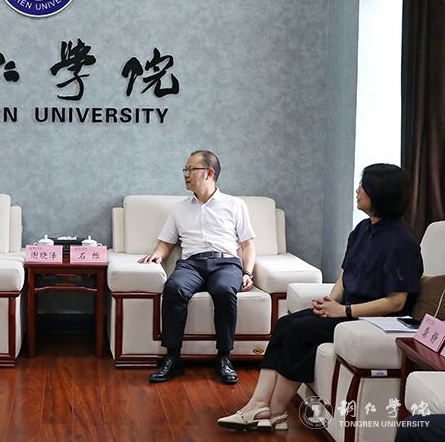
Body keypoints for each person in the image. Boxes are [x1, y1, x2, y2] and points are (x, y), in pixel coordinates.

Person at [218, 163, 423, 431]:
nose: (357, 191)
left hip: (374, 320)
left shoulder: (401, 242)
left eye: (364, 186)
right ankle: (259, 405)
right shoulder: (362, 229)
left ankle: (275, 411)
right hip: (347, 309)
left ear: (381, 193)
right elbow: (345, 275)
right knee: (285, 324)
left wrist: (344, 311)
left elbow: (396, 302)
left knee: (299, 332)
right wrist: (330, 301)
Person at [140, 150, 256, 385]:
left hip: (225, 263)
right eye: (185, 169)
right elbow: (166, 242)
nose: (186, 174)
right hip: (191, 264)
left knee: (224, 290)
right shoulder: (179, 208)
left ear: (209, 173)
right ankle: (173, 358)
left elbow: (248, 244)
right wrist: (157, 255)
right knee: (173, 288)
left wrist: (247, 272)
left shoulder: (235, 205)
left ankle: (224, 357)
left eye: (191, 169)